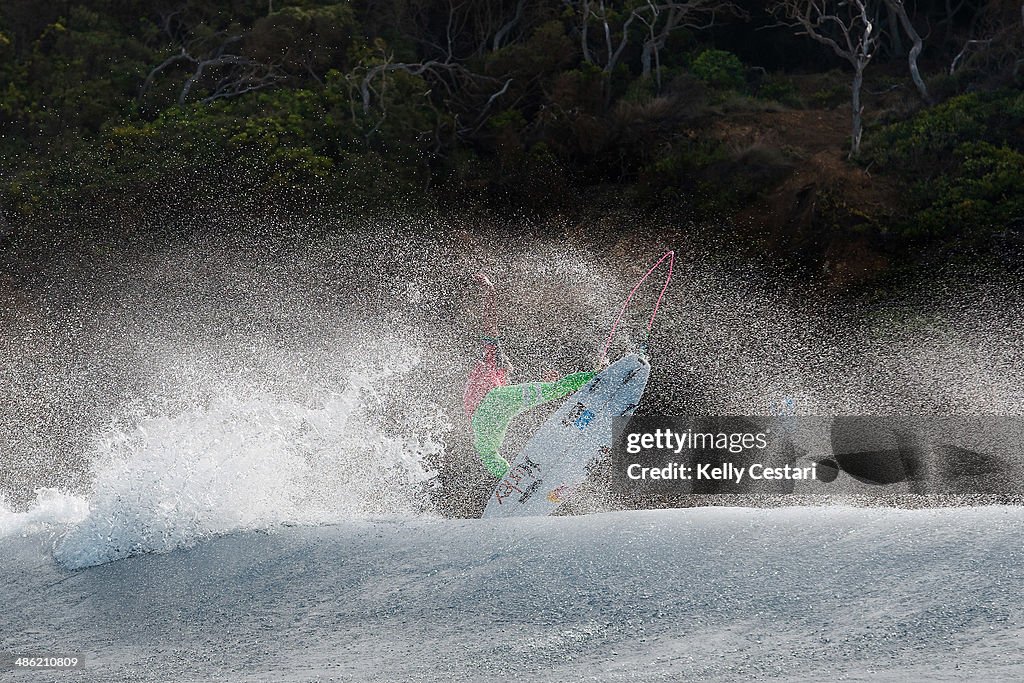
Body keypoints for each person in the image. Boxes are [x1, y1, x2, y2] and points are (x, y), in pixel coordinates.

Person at [464, 273, 600, 478]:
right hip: (491, 406)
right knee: (551, 390)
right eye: (508, 364)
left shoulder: (496, 379)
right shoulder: (492, 360)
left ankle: (509, 481)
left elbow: (520, 394)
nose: (511, 366)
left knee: (489, 454)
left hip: (479, 426)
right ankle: (594, 375)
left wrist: (543, 384)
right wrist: (490, 292)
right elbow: (490, 322)